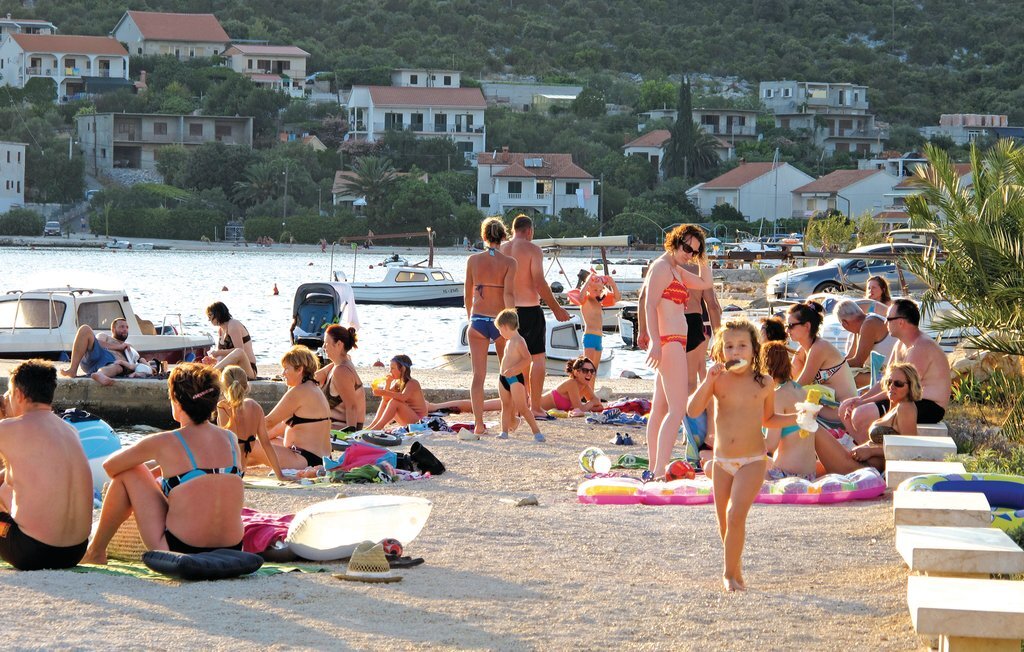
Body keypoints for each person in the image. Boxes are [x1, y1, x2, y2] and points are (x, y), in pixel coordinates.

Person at [83, 363, 244, 563]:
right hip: (233, 546)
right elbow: (207, 477)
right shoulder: (230, 439)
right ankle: (95, 552)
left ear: (177, 401)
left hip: (181, 548)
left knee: (129, 471)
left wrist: (148, 468)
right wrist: (162, 469)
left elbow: (111, 466)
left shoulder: (165, 441)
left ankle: (95, 551)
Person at [687, 320, 797, 592]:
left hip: (753, 459)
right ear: (721, 350)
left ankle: (727, 575)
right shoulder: (718, 379)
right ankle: (736, 571)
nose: (735, 351)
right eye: (729, 346)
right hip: (721, 461)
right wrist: (707, 381)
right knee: (725, 523)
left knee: (735, 514)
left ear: (754, 349)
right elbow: (692, 411)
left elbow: (769, 419)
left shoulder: (764, 382)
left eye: (742, 346)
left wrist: (799, 417)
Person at [0, 360, 92, 570]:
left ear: (19, 395)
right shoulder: (70, 431)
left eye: (9, 393)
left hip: (31, 552)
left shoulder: (7, 428)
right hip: (75, 551)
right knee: (5, 489)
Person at [641, 224, 713, 480]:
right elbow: (649, 305)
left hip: (675, 343)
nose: (689, 254)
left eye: (695, 252)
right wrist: (654, 342)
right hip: (669, 342)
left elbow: (705, 282)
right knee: (677, 408)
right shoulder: (661, 267)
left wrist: (704, 257)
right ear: (675, 241)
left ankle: (654, 468)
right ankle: (659, 469)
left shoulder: (676, 269)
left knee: (660, 408)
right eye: (686, 248)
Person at [839, 298, 951, 444]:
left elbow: (901, 386)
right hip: (906, 398)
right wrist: (860, 399)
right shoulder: (900, 344)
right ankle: (864, 449)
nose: (885, 323)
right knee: (845, 408)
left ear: (901, 322)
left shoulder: (921, 347)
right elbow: (886, 380)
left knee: (862, 413)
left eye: (888, 319)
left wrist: (863, 401)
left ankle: (870, 452)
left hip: (928, 405)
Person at [500, 214, 570, 418]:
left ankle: (520, 405)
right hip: (529, 309)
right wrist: (556, 308)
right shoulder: (533, 249)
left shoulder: (501, 249)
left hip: (507, 311)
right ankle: (536, 407)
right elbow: (539, 282)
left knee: (515, 359)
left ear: (513, 230)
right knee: (537, 358)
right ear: (529, 231)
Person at [816, 363, 922, 474]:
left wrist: (871, 451)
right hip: (860, 463)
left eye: (898, 384)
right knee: (810, 470)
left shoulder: (906, 407)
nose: (891, 387)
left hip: (865, 468)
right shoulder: (894, 407)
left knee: (813, 427)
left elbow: (909, 448)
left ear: (911, 386)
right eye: (889, 382)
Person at [464, 217, 517, 436]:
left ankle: (478, 424)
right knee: (506, 373)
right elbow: (508, 294)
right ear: (504, 236)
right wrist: (513, 322)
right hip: (500, 321)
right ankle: (510, 419)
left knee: (478, 376)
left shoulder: (473, 260)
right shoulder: (509, 263)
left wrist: (470, 318)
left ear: (484, 236)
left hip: (477, 321)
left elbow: (467, 295)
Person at [251, 346, 332, 470]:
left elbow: (268, 422)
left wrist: (240, 433)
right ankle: (237, 462)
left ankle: (229, 464)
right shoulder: (314, 389)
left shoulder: (298, 392)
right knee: (265, 443)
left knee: (246, 443)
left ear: (299, 369)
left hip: (304, 459)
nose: (283, 373)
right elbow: (281, 426)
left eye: (286, 369)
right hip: (321, 458)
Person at [786, 302, 857, 423]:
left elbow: (799, 385)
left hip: (844, 410)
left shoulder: (820, 347)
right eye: (786, 325)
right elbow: (790, 382)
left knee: (793, 402)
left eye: (791, 325)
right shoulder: (802, 351)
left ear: (807, 326)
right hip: (827, 406)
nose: (787, 330)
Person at [216, 365, 284, 479]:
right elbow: (266, 445)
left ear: (223, 387)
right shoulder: (255, 406)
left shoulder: (223, 406)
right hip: (240, 472)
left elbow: (226, 443)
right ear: (247, 386)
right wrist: (280, 475)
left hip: (227, 470)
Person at [761, 341, 817, 481]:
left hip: (784, 475)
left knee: (727, 469)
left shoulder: (777, 396)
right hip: (809, 475)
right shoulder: (801, 390)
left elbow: (770, 445)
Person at [494, 309, 545, 442]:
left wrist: (514, 369)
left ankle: (537, 432)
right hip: (503, 378)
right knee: (505, 405)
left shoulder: (519, 340)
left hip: (515, 378)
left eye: (500, 329)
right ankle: (504, 431)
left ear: (505, 327)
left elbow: (527, 359)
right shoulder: (509, 341)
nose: (500, 332)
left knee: (522, 407)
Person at [61, 318, 149, 386]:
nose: (125, 329)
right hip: (98, 355)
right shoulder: (105, 336)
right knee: (85, 329)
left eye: (127, 327)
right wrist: (119, 347)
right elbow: (98, 343)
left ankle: (99, 375)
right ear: (113, 329)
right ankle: (72, 370)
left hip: (111, 365)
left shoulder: (129, 346)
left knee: (118, 368)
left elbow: (135, 363)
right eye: (122, 327)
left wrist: (146, 365)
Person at [314, 325, 366, 431]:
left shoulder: (341, 371)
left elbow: (352, 407)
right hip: (331, 424)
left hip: (341, 429)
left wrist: (350, 435)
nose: (323, 347)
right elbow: (312, 378)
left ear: (339, 344)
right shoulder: (338, 365)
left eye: (326, 343)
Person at [834, 299, 896, 386]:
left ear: (844, 323)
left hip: (891, 374)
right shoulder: (861, 325)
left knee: (842, 376)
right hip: (882, 371)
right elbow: (850, 356)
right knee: (839, 373)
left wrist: (831, 367)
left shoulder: (869, 324)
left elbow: (858, 362)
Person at [366, 355, 427, 431]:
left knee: (394, 402)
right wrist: (388, 383)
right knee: (387, 401)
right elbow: (385, 399)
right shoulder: (398, 383)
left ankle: (378, 427)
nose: (390, 371)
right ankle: (373, 425)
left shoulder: (413, 383)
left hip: (419, 421)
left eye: (392, 368)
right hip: (408, 419)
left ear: (403, 369)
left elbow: (403, 397)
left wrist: (384, 392)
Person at [578, 271, 620, 380]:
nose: (598, 292)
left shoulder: (599, 302)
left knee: (593, 371)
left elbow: (617, 298)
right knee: (586, 370)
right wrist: (588, 281)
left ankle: (590, 390)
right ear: (588, 289)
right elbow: (580, 297)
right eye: (595, 290)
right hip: (590, 336)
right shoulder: (586, 300)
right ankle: (582, 389)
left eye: (600, 290)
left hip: (599, 338)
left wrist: (613, 285)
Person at [203, 302, 258, 379]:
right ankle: (210, 373)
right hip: (232, 370)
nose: (209, 319)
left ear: (218, 314)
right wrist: (213, 359)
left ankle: (211, 373)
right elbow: (223, 355)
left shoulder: (233, 324)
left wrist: (218, 352)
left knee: (239, 351)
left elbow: (240, 350)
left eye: (210, 315)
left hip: (247, 368)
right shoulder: (220, 330)